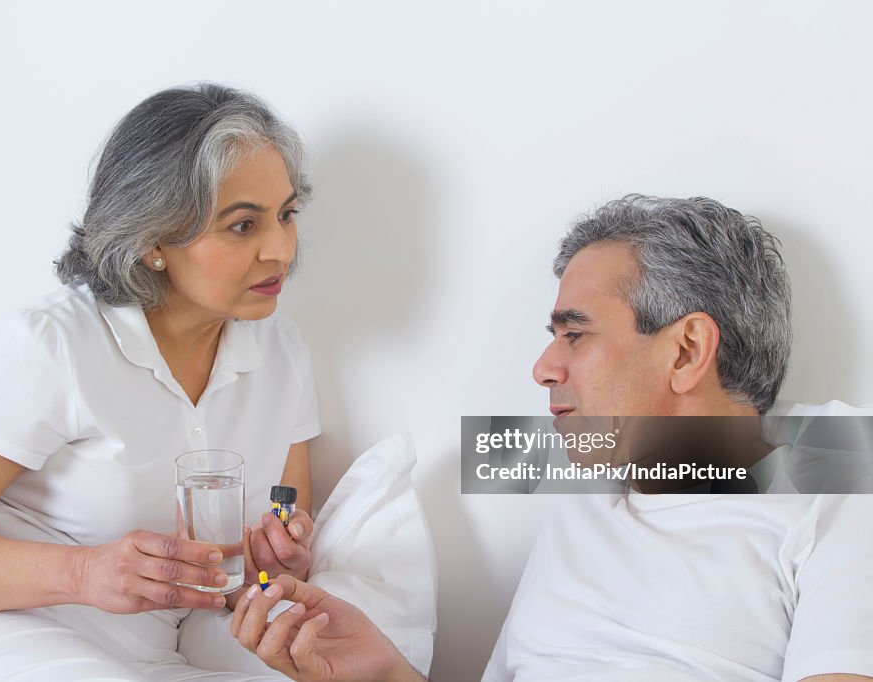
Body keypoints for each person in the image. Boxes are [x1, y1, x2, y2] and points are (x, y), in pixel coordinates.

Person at [232, 195, 873, 682]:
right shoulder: (588, 482)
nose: (544, 369)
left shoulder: (839, 483)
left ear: (686, 350)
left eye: (576, 333)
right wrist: (385, 671)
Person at [0, 83, 321, 679]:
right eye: (242, 226)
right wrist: (82, 573)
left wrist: (276, 565)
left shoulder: (281, 352)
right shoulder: (56, 345)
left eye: (286, 214)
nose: (280, 250)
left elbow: (264, 573)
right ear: (154, 239)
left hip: (145, 652)